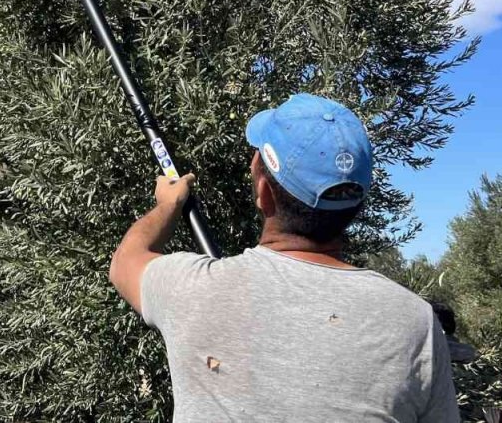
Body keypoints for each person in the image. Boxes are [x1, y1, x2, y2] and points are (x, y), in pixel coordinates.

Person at [108, 94, 460, 422]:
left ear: (263, 193)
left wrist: (167, 206)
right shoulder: (415, 322)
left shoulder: (191, 290)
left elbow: (126, 261)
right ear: (359, 204)